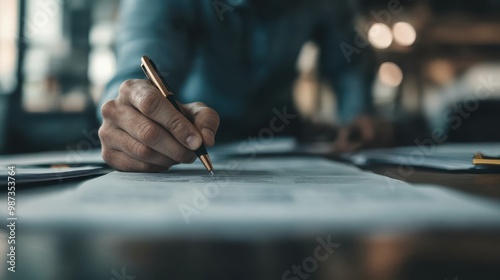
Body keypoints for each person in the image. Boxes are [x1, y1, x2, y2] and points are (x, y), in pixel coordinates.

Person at [98, 0, 383, 172]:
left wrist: (356, 114)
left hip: (286, 136)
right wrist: (133, 117)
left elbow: (348, 60)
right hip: (193, 136)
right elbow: (138, 74)